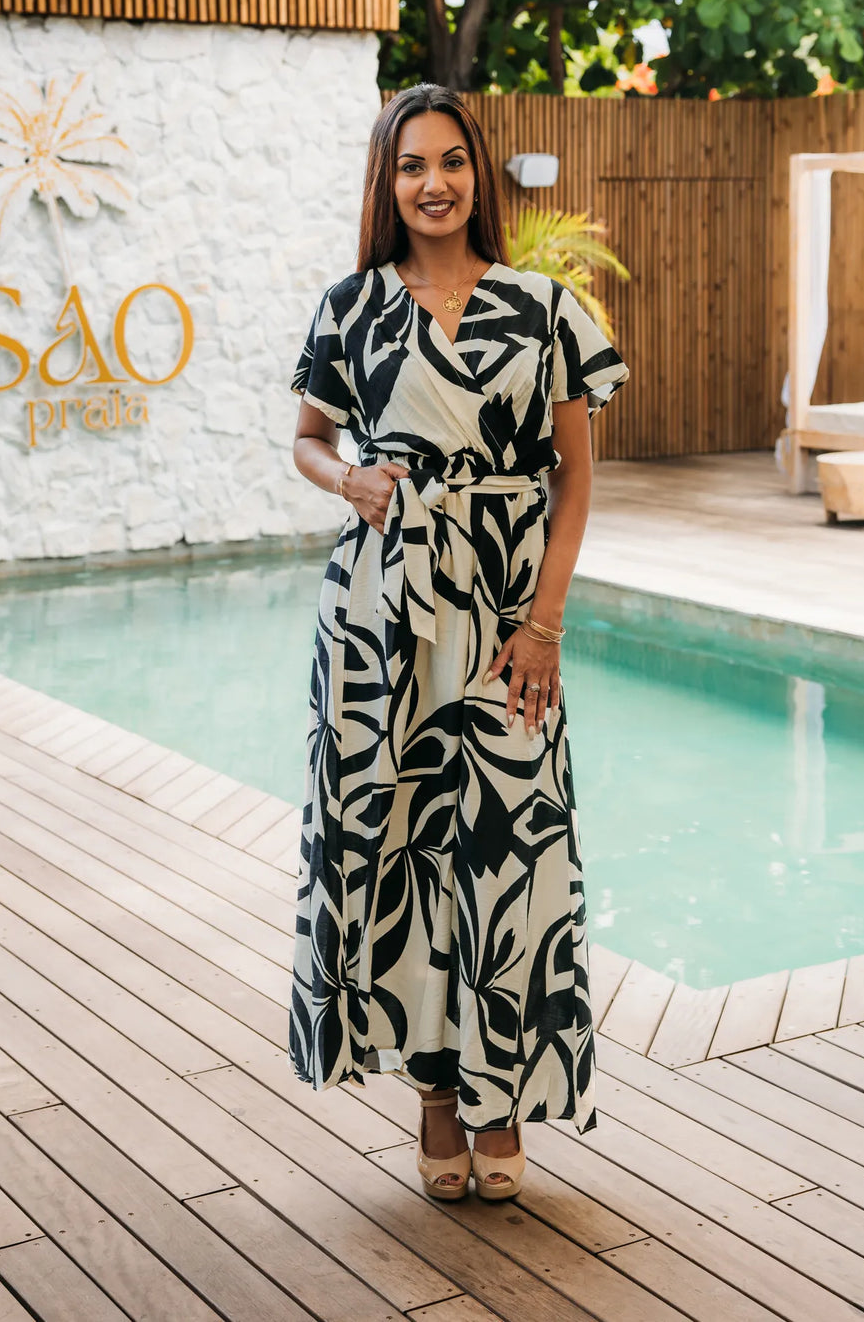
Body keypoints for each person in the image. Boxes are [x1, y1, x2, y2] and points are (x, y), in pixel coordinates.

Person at [288, 82, 628, 1202]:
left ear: (477, 173)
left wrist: (545, 624)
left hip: (504, 614)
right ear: (385, 183)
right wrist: (349, 478)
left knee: (509, 854)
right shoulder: (351, 307)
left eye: (449, 162)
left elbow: (575, 479)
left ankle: (501, 1096)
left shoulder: (545, 310)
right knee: (399, 850)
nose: (432, 184)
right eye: (409, 166)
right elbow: (307, 440)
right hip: (379, 617)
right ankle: (436, 1096)